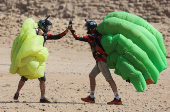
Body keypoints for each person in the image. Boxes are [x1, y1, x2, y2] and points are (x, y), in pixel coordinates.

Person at [13, 16, 69, 103]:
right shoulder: (34, 33)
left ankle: (18, 92)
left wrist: (66, 30)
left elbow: (57, 36)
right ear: (42, 26)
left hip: (36, 59)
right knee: (36, 77)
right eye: (47, 26)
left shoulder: (44, 35)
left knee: (28, 77)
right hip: (32, 58)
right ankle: (41, 97)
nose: (48, 28)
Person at [67, 19, 122, 105]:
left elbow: (77, 37)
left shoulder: (91, 37)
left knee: (109, 79)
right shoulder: (100, 35)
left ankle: (117, 98)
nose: (86, 29)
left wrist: (71, 29)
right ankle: (91, 97)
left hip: (101, 61)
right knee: (91, 75)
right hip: (101, 60)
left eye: (87, 28)